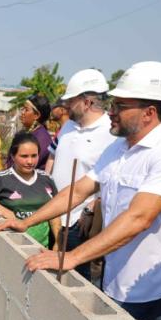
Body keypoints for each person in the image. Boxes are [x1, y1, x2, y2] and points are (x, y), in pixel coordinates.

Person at [0, 61, 161, 320]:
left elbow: (139, 218)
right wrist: (27, 221)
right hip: (113, 280)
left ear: (151, 112)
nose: (111, 111)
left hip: (150, 293)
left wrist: (72, 257)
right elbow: (79, 190)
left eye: (120, 106)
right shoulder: (118, 148)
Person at [44, 68, 117, 280]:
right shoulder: (68, 127)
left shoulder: (111, 134)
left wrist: (94, 206)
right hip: (54, 215)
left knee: (75, 280)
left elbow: (111, 178)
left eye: (71, 100)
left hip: (79, 224)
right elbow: (53, 158)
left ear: (87, 102)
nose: (66, 105)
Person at [0, 132, 60, 249]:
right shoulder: (1, 178)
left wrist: (58, 242)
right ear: (13, 156)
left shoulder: (46, 179)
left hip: (41, 249)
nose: (30, 161)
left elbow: (55, 212)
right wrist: (2, 210)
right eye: (24, 156)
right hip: (11, 248)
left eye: (34, 156)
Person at [7, 94, 53, 171]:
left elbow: (25, 166)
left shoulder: (42, 138)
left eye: (26, 109)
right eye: (22, 109)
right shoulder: (26, 133)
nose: (22, 112)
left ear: (36, 115)